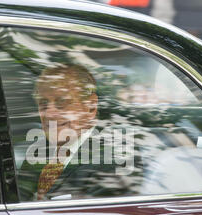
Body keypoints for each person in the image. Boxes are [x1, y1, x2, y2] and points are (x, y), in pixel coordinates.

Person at [18, 64, 139, 201]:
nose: (49, 114)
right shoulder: (36, 151)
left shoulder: (113, 159)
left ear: (90, 107)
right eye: (43, 103)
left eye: (62, 101)